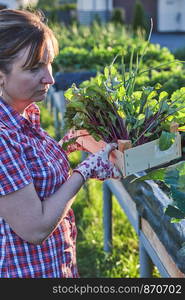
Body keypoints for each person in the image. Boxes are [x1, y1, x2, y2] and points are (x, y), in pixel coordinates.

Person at [0, 9, 121, 278]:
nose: (50, 79)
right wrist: (84, 172)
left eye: (49, 63)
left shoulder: (23, 115)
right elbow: (36, 228)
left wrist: (66, 145)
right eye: (34, 68)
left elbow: (29, 174)